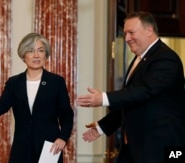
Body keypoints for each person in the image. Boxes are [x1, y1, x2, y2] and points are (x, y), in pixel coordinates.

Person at [77, 11, 185, 163]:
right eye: (126, 33)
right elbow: (132, 100)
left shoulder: (166, 58)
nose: (127, 38)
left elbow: (145, 90)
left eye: (131, 32)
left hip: (159, 148)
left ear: (149, 31)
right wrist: (103, 126)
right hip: (135, 148)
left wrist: (104, 98)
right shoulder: (140, 59)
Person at [0, 32, 74, 163]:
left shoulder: (56, 82)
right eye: (30, 51)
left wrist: (62, 138)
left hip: (50, 148)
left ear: (46, 55)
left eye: (40, 51)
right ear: (23, 55)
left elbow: (67, 115)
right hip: (21, 148)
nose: (36, 55)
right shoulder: (14, 83)